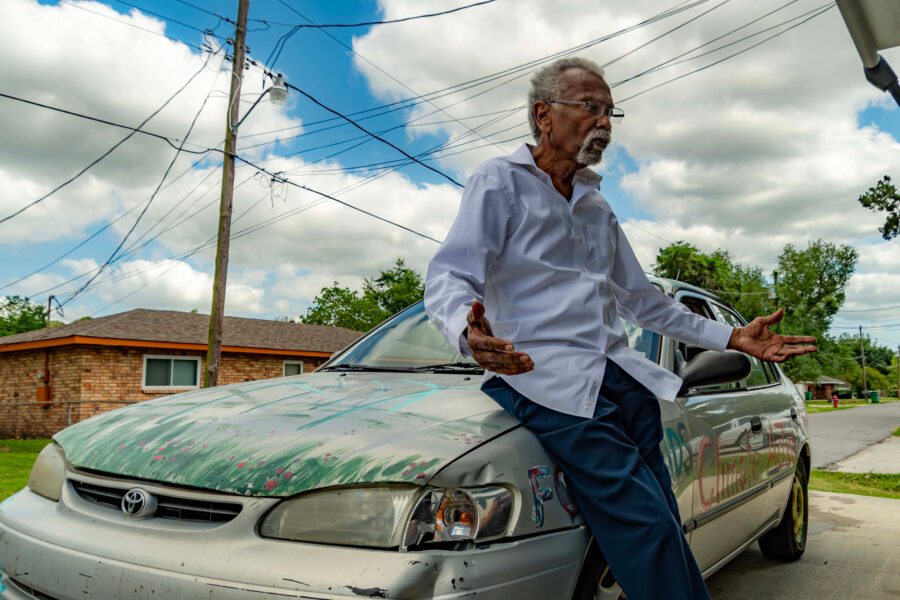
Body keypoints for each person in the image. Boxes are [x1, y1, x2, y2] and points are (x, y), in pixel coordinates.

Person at [424, 57, 817, 600]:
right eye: (590, 108)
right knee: (646, 527)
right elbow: (452, 273)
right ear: (544, 114)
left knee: (662, 521)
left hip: (620, 381)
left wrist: (731, 337)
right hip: (545, 379)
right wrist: (468, 337)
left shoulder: (597, 207)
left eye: (611, 111)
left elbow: (643, 303)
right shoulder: (501, 181)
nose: (604, 123)